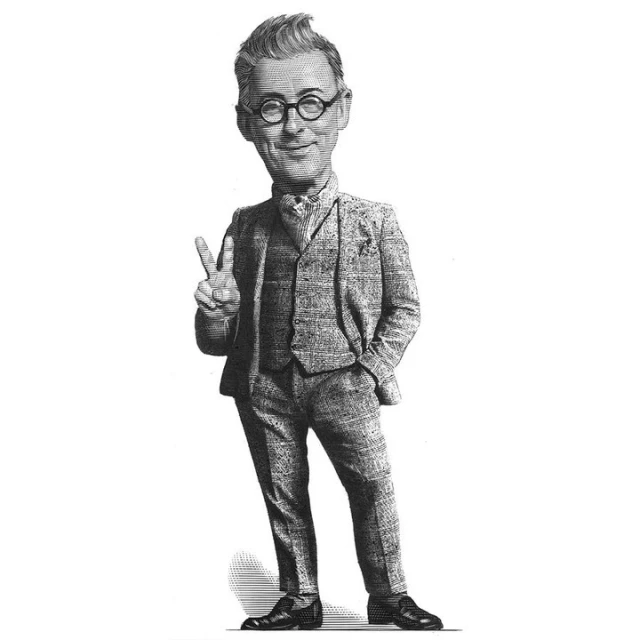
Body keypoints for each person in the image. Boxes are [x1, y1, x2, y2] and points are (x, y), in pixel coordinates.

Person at [194, 14, 443, 631]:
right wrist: (217, 315)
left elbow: (406, 308)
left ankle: (388, 594)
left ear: (343, 108)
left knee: (371, 486)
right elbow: (217, 342)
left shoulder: (374, 220)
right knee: (282, 493)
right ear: (246, 123)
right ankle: (299, 596)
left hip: (344, 382)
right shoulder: (245, 226)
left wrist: (369, 371)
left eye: (311, 103)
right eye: (271, 109)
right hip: (265, 384)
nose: (294, 126)